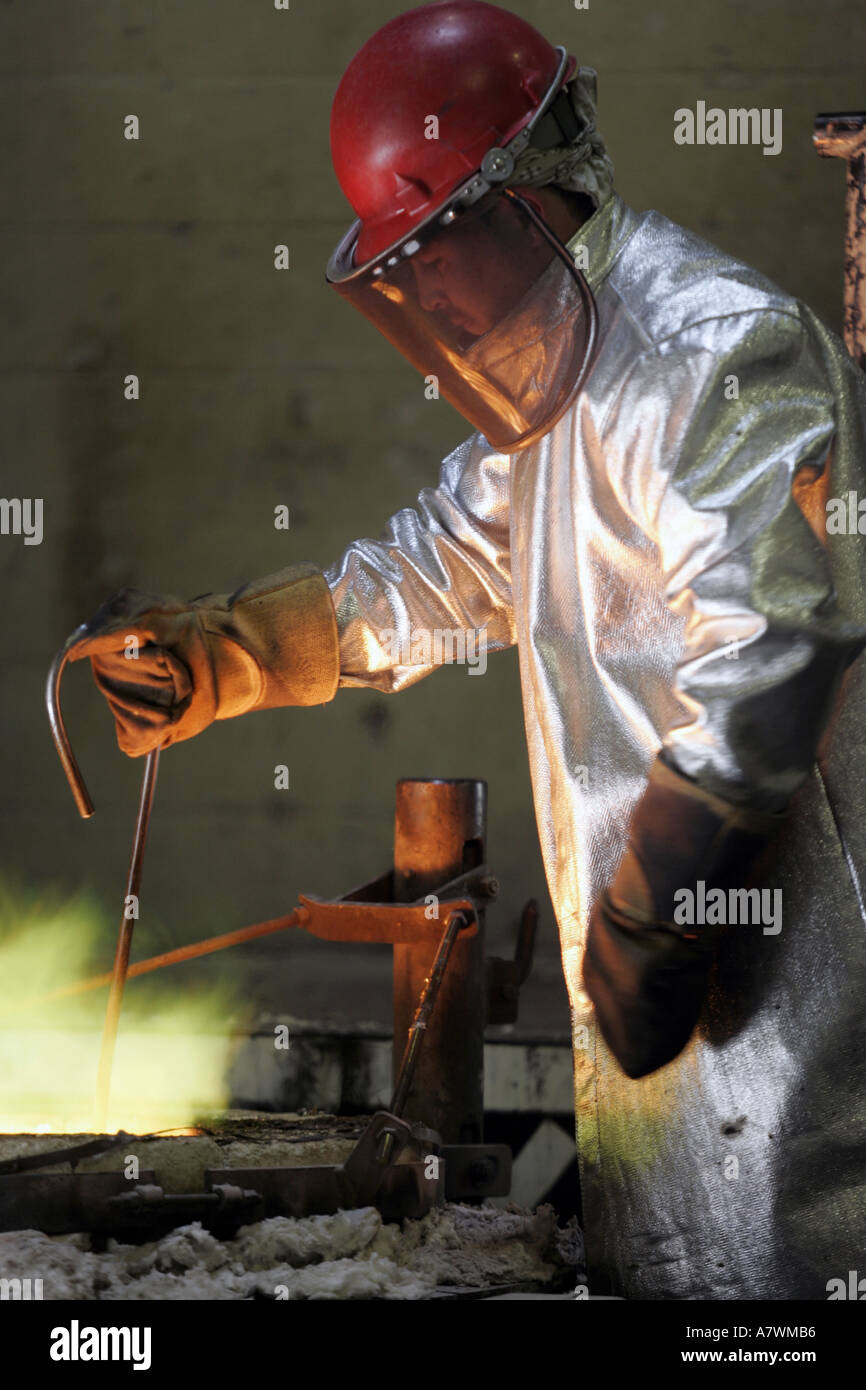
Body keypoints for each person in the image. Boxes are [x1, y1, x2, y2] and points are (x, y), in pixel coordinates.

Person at [68, 1, 866, 1299]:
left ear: (527, 200)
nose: (428, 287)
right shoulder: (551, 389)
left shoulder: (714, 349)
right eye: (405, 261)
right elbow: (431, 574)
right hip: (665, 1079)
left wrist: (655, 895)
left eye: (437, 243)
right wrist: (224, 654)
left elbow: (774, 644)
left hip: (789, 1033)